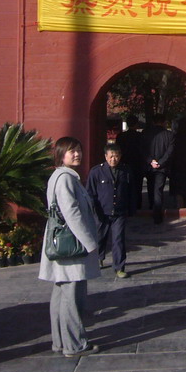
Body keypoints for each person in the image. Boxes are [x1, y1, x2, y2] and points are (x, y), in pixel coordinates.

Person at [38, 137, 101, 357]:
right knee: (72, 297)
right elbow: (71, 213)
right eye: (71, 151)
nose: (77, 154)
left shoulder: (62, 177)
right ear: (60, 154)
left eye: (78, 150)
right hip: (71, 247)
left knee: (61, 294)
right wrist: (90, 243)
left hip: (63, 245)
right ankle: (74, 345)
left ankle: (60, 341)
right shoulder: (65, 178)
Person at [87, 142, 132, 278]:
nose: (114, 159)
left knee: (118, 239)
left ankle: (119, 267)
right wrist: (92, 209)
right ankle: (99, 258)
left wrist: (131, 208)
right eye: (111, 156)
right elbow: (90, 192)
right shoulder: (96, 172)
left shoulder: (126, 170)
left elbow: (131, 191)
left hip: (119, 211)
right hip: (102, 212)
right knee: (100, 237)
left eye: (117, 156)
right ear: (106, 156)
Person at [142, 114, 174, 224]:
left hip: (150, 166)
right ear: (164, 122)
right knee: (158, 190)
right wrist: (160, 163)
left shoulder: (145, 133)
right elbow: (169, 152)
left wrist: (151, 161)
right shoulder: (169, 135)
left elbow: (142, 150)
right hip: (162, 168)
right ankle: (157, 215)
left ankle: (152, 208)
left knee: (151, 188)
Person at [116, 116, 144, 211]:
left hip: (124, 163)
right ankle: (137, 206)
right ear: (136, 124)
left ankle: (126, 205)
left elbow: (118, 150)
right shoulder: (140, 136)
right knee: (137, 186)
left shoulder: (120, 136)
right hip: (137, 164)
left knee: (124, 185)